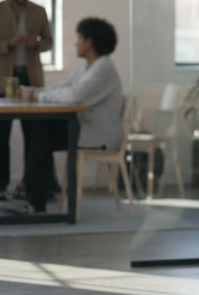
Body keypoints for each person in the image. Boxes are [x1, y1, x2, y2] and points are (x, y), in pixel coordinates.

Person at [20, 17, 123, 213]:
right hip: (84, 127)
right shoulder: (87, 67)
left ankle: (36, 196)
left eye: (79, 38)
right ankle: (36, 195)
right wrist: (35, 92)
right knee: (41, 129)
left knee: (42, 131)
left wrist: (36, 96)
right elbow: (61, 87)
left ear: (90, 42)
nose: (76, 43)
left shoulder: (103, 68)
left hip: (99, 136)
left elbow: (75, 96)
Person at [0, 0, 55, 201]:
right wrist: (8, 43)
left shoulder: (39, 12)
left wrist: (38, 43)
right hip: (2, 80)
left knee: (33, 136)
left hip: (29, 79)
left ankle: (31, 184)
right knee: (1, 135)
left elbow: (49, 43)